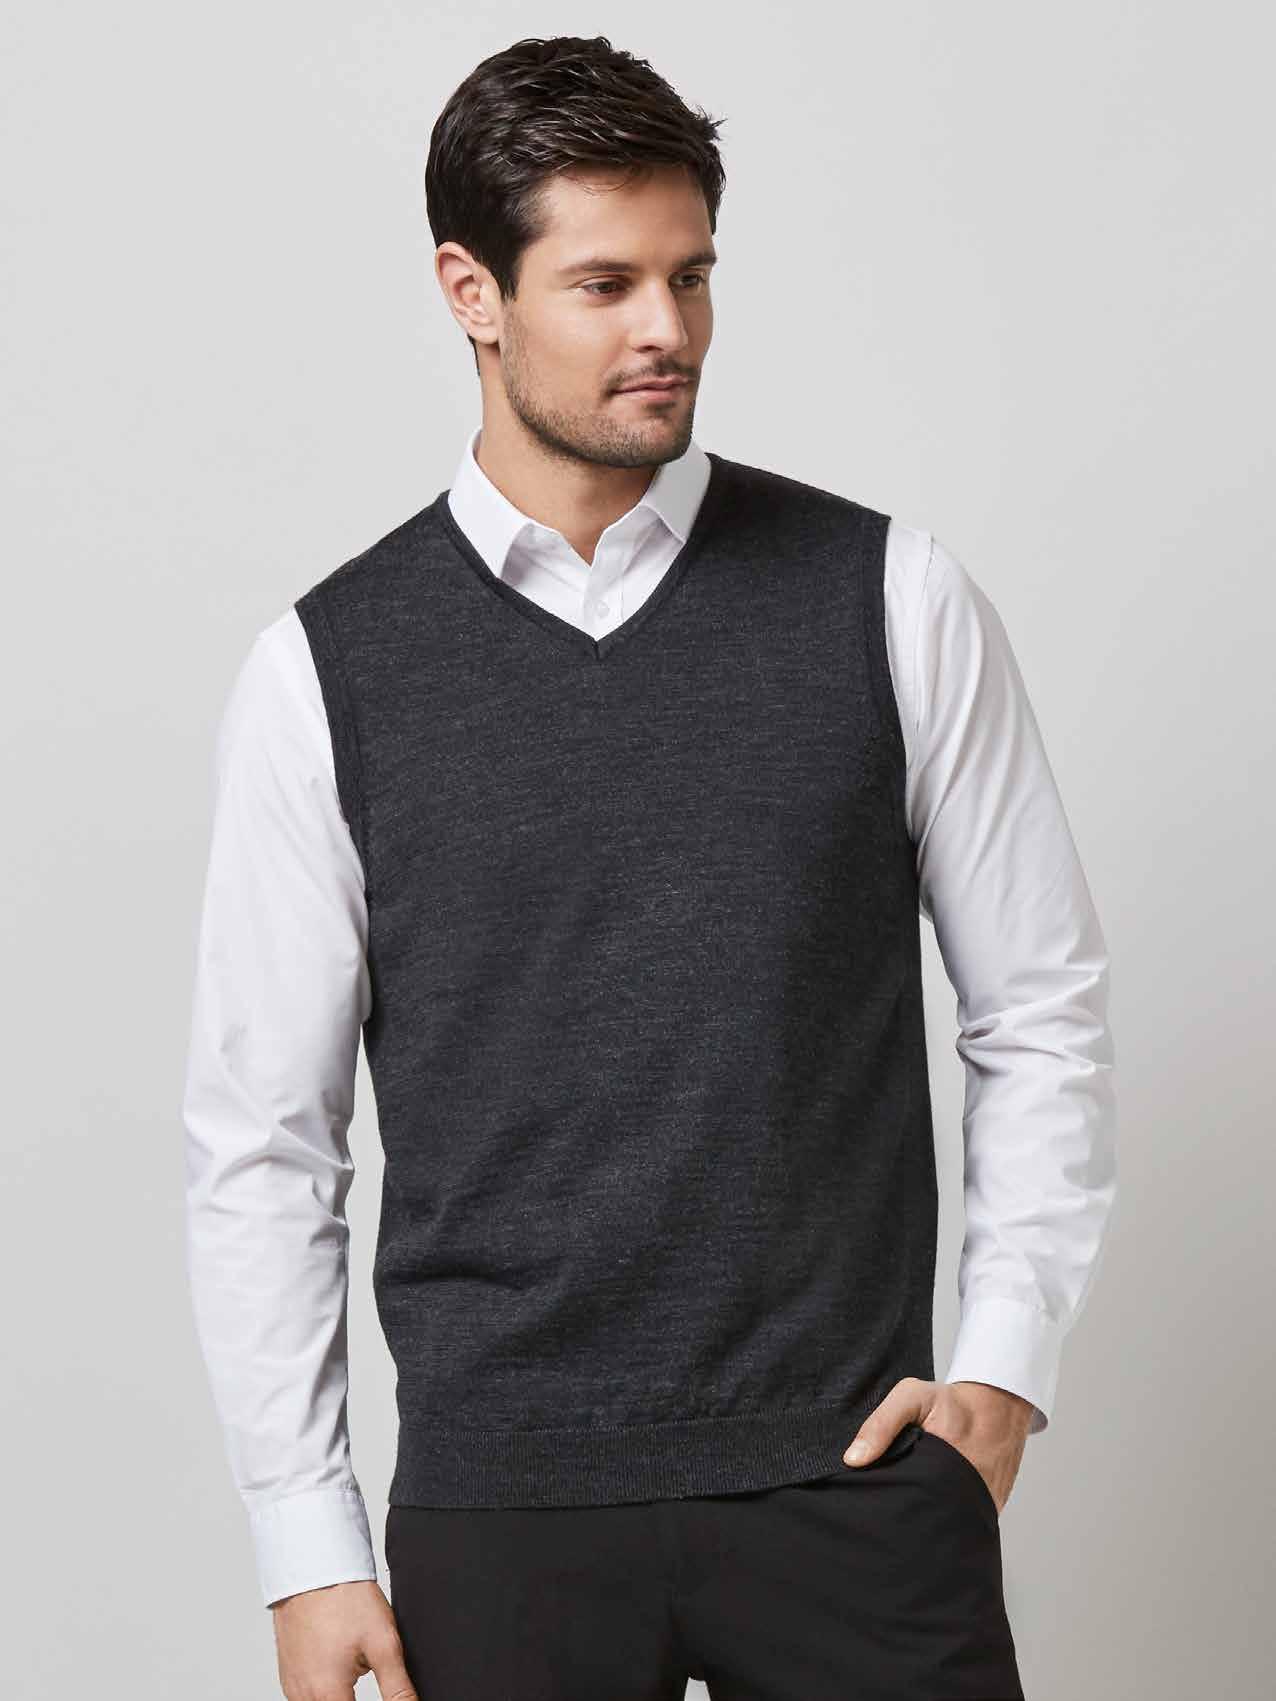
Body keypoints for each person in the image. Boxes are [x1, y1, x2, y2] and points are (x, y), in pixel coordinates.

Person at [182, 32, 1117, 1701]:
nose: (667, 330)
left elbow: (1040, 1007)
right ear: (472, 293)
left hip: (851, 1483)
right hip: (501, 1513)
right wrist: (306, 1541)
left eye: (691, 277)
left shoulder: (891, 599)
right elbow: (266, 1142)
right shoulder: (325, 672)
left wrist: (1001, 1371)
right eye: (605, 284)